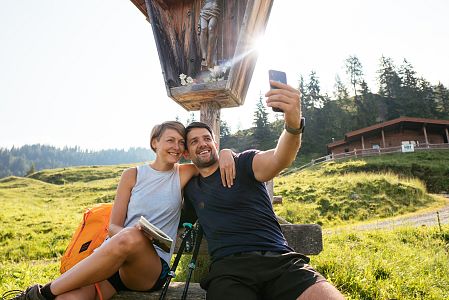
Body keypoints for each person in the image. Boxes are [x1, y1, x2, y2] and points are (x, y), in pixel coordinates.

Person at [9, 121, 235, 300]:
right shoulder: (132, 175)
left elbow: (209, 157)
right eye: (170, 140)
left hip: (150, 269)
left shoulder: (183, 172)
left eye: (180, 142)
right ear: (155, 142)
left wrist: (226, 152)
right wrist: (134, 234)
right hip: (113, 262)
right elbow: (113, 228)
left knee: (131, 236)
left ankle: (41, 293)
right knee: (69, 298)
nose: (176, 147)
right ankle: (49, 294)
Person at [183, 81, 345, 299]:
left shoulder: (244, 163)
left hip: (279, 261)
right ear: (187, 153)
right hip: (229, 272)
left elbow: (280, 158)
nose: (202, 144)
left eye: (206, 138)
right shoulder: (191, 189)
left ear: (215, 143)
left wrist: (293, 124)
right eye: (194, 142)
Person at [198, 0, 221, 68]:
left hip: (214, 9)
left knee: (211, 28)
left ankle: (209, 55)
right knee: (203, 29)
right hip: (204, 10)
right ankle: (204, 56)